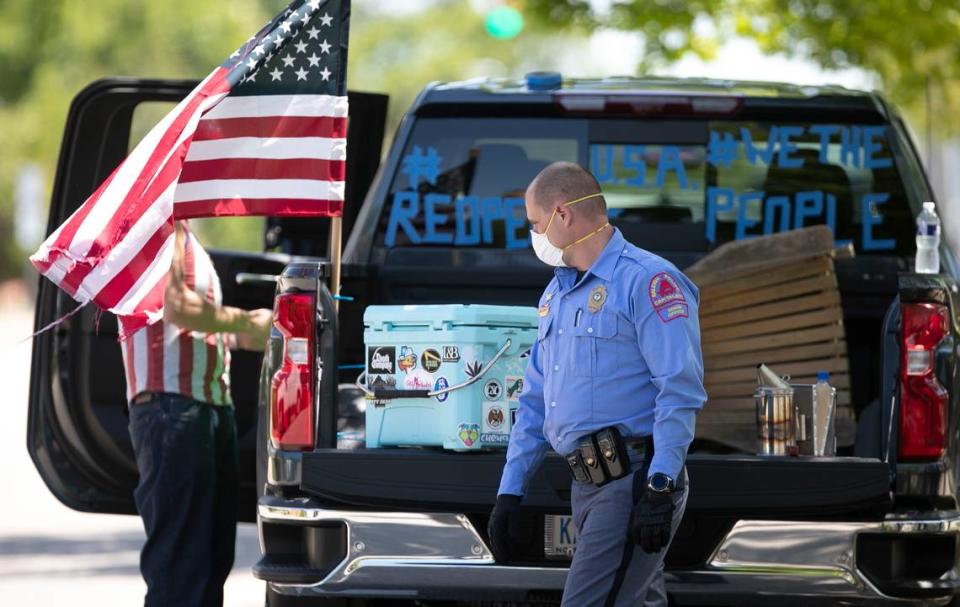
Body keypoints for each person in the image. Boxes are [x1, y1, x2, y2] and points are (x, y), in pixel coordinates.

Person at [488, 162, 706, 606]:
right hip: (585, 484)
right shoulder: (557, 293)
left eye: (535, 223)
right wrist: (510, 490)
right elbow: (534, 401)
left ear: (562, 214)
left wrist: (660, 485)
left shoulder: (647, 281)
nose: (534, 234)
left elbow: (678, 391)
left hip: (632, 481)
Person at [122, 221, 272, 607]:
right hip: (172, 407)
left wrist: (267, 328)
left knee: (207, 565)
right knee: (181, 573)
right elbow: (178, 307)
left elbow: (206, 326)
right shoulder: (157, 226)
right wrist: (242, 321)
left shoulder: (186, 234)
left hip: (204, 407)